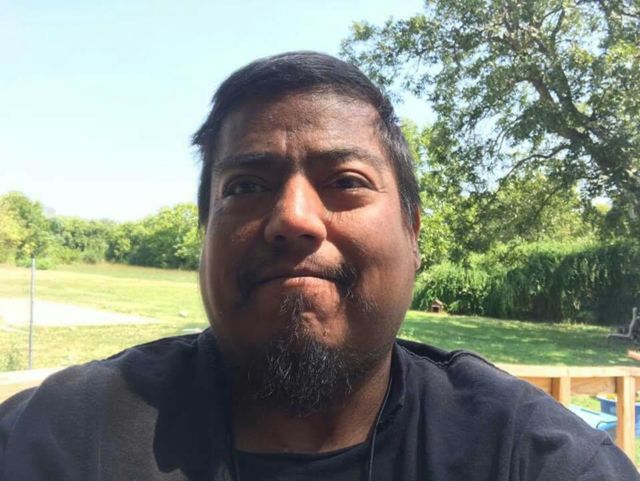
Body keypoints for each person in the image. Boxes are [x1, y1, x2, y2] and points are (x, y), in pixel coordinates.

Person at [0, 52, 638, 481]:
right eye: (246, 186)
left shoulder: (530, 457)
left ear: (413, 233)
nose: (294, 217)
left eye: (346, 180)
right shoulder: (60, 440)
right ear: (204, 236)